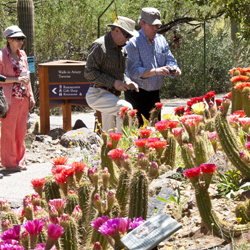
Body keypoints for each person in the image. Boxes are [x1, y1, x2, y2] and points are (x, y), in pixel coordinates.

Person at [125, 7, 181, 126]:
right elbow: (134, 72)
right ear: (142, 23)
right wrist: (156, 71)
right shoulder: (132, 42)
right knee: (139, 135)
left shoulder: (161, 40)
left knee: (156, 133)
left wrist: (174, 69)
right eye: (152, 25)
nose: (155, 28)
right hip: (136, 95)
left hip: (155, 95)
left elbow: (170, 60)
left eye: (157, 25)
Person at [84, 16, 139, 133]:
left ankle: (112, 149)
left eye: (131, 36)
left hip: (111, 96)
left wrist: (127, 81)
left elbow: (121, 74)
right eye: (127, 35)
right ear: (117, 30)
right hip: (97, 94)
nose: (128, 39)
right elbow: (89, 72)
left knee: (110, 134)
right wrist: (113, 82)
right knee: (126, 109)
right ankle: (125, 147)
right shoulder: (99, 45)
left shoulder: (122, 49)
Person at [0, 25, 35, 172]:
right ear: (9, 40)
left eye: (22, 39)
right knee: (9, 130)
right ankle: (9, 163)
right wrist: (16, 79)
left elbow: (27, 75)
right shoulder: (1, 56)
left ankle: (20, 161)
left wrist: (31, 94)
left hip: (24, 98)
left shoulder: (23, 55)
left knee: (21, 130)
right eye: (18, 39)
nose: (21, 41)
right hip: (9, 98)